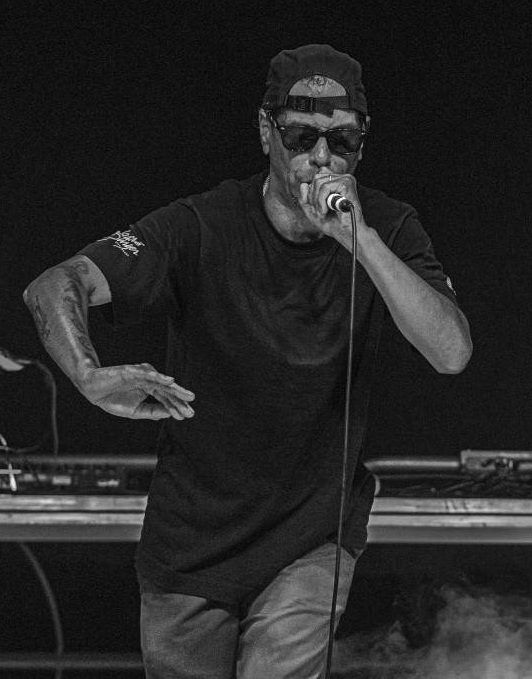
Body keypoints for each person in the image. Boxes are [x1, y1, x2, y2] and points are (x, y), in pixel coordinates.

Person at [23, 44, 473, 679]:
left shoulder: (387, 228)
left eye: (341, 140)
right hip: (192, 541)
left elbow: (452, 352)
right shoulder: (200, 225)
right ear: (266, 133)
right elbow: (55, 284)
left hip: (310, 535)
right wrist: (89, 375)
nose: (322, 157)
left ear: (362, 144)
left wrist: (361, 241)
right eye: (302, 137)